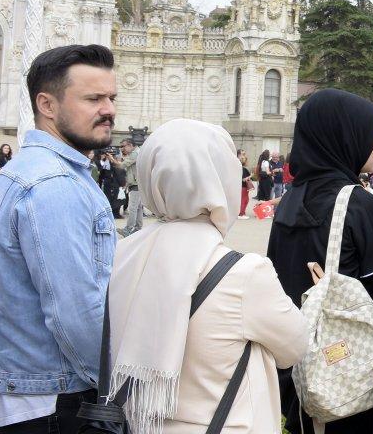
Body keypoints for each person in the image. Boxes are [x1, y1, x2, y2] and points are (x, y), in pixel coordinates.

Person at [107, 119, 306, 434]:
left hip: (140, 425)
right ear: (222, 180)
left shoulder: (122, 256)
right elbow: (295, 348)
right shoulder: (245, 272)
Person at [0, 44, 117, 433]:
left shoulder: (24, 171)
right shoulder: (53, 185)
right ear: (48, 105)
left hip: (25, 393)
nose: (108, 109)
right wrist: (114, 386)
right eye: (93, 98)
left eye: (111, 97)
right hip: (51, 401)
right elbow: (75, 313)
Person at [268, 89, 373, 434]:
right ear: (347, 137)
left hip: (296, 371)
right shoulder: (357, 204)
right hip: (345, 379)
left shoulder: (290, 200)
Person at [117, 140, 144, 236]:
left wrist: (112, 159)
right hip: (138, 183)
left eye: (123, 146)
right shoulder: (139, 152)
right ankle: (138, 228)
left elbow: (121, 165)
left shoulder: (135, 153)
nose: (122, 149)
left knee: (132, 208)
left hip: (136, 184)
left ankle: (128, 229)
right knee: (138, 207)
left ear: (130, 145)